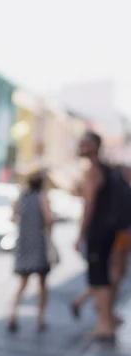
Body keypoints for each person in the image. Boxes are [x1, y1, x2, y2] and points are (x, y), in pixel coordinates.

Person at [74, 131, 117, 341]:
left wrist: (80, 234)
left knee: (99, 278)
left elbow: (88, 206)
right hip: (107, 231)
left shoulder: (93, 171)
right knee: (102, 277)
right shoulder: (105, 168)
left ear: (94, 146)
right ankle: (105, 322)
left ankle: (104, 325)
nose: (80, 146)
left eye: (84, 143)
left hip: (98, 231)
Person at [8, 170, 55, 332]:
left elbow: (13, 217)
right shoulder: (42, 198)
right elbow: (49, 219)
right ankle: (40, 318)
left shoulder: (21, 198)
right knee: (42, 283)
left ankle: (13, 314)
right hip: (39, 243)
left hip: (24, 243)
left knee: (22, 283)